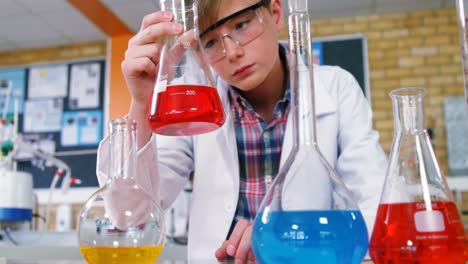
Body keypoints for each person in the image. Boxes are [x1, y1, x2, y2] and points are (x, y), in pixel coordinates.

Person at [96, 0, 388, 263]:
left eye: (242, 24)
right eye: (209, 42)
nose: (232, 52)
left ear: (275, 13)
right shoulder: (196, 108)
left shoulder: (337, 88)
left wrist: (278, 239)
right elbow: (129, 213)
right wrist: (141, 102)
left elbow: (376, 207)